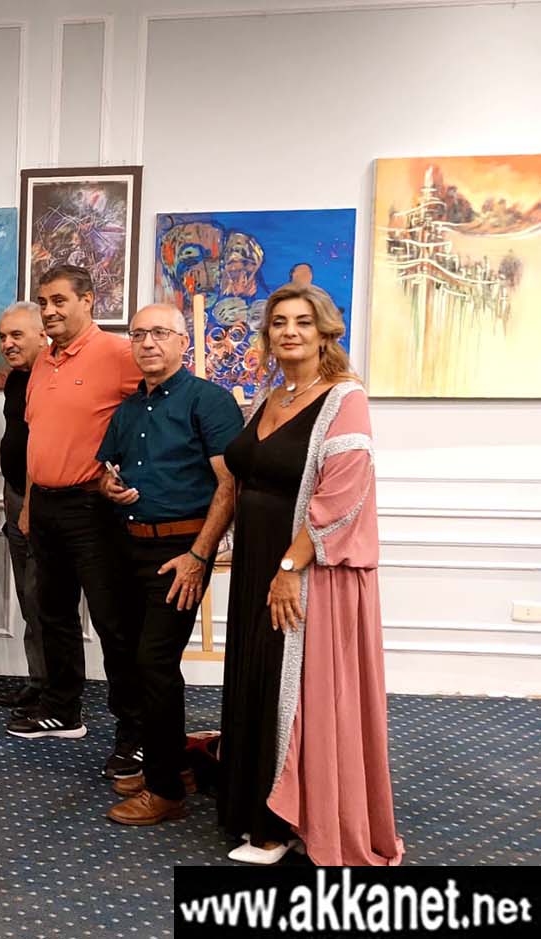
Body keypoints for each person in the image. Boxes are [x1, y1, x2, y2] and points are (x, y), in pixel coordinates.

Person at [219, 283, 402, 865]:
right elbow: (244, 478)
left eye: (302, 321)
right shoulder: (269, 397)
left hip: (306, 570)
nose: (289, 331)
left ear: (325, 332)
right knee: (255, 675)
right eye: (279, 322)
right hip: (255, 562)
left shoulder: (345, 398)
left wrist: (289, 568)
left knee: (289, 686)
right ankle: (250, 807)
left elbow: (341, 497)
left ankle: (277, 826)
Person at [94, 304, 243, 825]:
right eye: (139, 334)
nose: (148, 343)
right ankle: (172, 764)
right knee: (136, 661)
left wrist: (199, 556)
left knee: (154, 662)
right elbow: (105, 473)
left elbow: (230, 485)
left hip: (181, 552)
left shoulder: (209, 401)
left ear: (184, 342)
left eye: (160, 333)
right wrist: (108, 487)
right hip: (126, 546)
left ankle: (165, 792)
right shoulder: (128, 410)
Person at [8, 265, 143, 781]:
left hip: (93, 509)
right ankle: (62, 710)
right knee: (53, 613)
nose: (49, 311)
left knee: (113, 624)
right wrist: (28, 505)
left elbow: (158, 411)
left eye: (59, 300)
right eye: (43, 302)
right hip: (44, 505)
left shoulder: (119, 354)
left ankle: (135, 734)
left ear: (88, 300)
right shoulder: (44, 360)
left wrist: (129, 472)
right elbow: (40, 436)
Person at [0, 301, 47, 712]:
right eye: (2, 337)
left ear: (42, 336)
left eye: (16, 335)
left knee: (44, 597)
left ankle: (57, 690)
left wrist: (29, 503)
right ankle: (39, 681)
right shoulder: (15, 379)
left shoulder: (52, 379)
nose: (7, 344)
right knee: (29, 598)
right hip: (14, 495)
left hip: (43, 500)